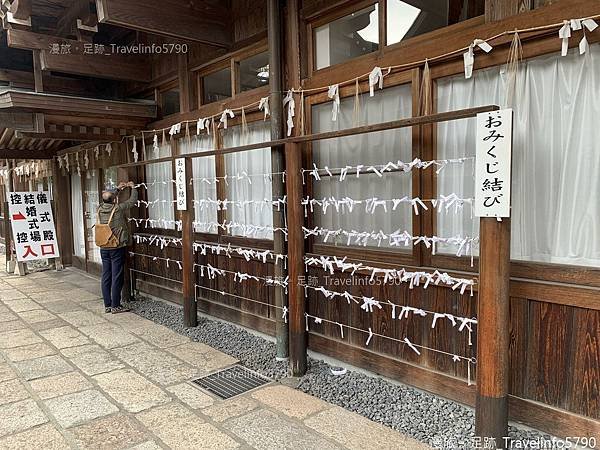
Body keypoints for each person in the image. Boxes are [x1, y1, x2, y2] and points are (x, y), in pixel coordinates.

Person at [98, 181, 138, 314]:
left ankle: (107, 305)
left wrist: (117, 189)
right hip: (116, 246)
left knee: (106, 275)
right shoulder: (118, 209)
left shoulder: (99, 208)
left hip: (103, 246)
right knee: (117, 276)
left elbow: (109, 197)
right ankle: (116, 305)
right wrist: (133, 187)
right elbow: (132, 201)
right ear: (114, 199)